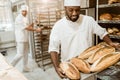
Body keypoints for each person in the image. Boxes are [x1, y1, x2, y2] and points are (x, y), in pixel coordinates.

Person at [48, 0, 120, 79]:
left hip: (88, 64)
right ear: (65, 8)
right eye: (71, 10)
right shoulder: (58, 26)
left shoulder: (88, 20)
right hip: (69, 66)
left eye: (77, 10)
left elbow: (102, 32)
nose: (74, 13)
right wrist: (56, 67)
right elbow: (53, 48)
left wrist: (110, 43)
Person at [11, 5, 41, 72]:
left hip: (25, 38)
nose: (24, 12)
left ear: (27, 11)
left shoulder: (25, 18)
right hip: (20, 39)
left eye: (25, 11)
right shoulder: (18, 18)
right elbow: (26, 28)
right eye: (23, 11)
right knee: (20, 54)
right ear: (20, 11)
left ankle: (25, 67)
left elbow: (28, 26)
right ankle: (11, 66)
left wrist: (33, 23)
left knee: (25, 54)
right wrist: (36, 30)